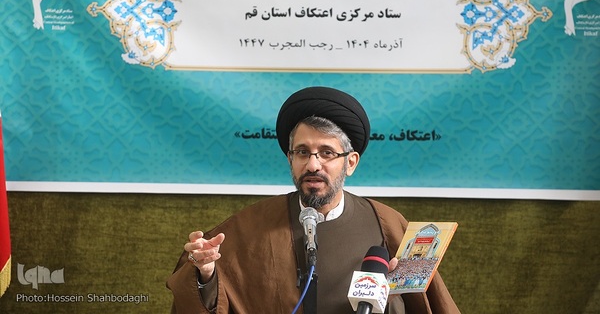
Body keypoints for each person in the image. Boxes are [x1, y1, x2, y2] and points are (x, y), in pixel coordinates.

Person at [167, 86, 460, 314]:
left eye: (327, 153)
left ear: (350, 162)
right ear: (290, 158)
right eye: (302, 152)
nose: (313, 165)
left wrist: (393, 297)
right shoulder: (250, 226)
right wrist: (206, 273)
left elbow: (426, 305)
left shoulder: (387, 224)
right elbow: (206, 296)